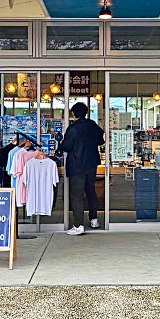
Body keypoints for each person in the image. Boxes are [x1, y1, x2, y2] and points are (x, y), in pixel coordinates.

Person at [56, 101, 105, 235]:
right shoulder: (93, 125)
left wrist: (59, 143)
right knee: (91, 191)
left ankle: (78, 225)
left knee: (77, 195)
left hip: (77, 165)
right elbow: (101, 140)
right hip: (91, 164)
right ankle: (94, 219)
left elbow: (66, 146)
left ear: (74, 113)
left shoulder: (73, 128)